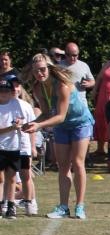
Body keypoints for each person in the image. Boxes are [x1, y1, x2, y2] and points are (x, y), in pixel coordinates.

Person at [21, 53, 93, 219]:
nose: (40, 73)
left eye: (43, 69)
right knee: (63, 166)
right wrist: (32, 123)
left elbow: (60, 115)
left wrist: (38, 126)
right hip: (61, 126)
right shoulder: (38, 88)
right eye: (36, 71)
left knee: (77, 162)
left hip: (79, 123)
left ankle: (80, 206)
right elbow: (46, 113)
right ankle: (63, 207)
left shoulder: (62, 85)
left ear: (49, 68)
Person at [0, 79, 27, 221]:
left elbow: (21, 119)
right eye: (1, 90)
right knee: (0, 178)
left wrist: (18, 123)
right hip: (0, 147)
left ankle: (11, 205)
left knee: (11, 177)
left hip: (13, 146)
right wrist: (11, 128)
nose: (3, 93)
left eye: (6, 90)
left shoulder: (15, 104)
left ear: (11, 92)